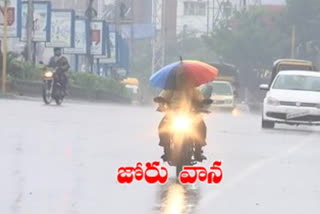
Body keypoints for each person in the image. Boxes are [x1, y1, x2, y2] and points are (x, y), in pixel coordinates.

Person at [156, 67, 207, 162]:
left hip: (190, 115)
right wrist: (161, 103)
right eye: (181, 77)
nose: (183, 79)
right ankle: (166, 150)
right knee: (162, 127)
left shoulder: (194, 90)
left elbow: (201, 99)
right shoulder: (170, 89)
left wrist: (203, 103)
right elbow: (162, 97)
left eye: (185, 77)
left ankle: (198, 151)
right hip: (173, 115)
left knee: (201, 126)